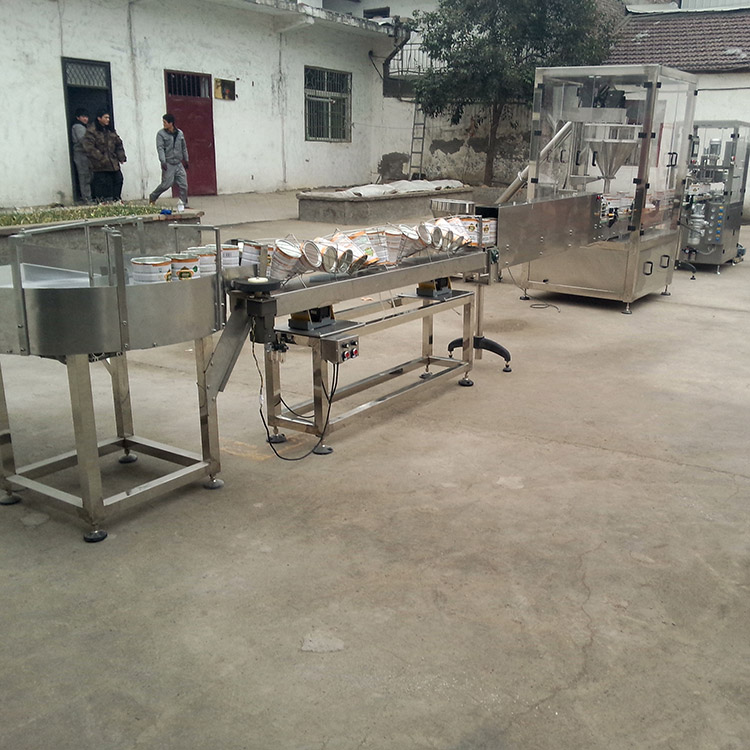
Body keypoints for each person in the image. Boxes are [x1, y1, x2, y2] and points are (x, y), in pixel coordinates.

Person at [83, 108, 127, 202]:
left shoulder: (110, 130)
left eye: (108, 118)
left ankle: (116, 199)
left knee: (118, 179)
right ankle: (100, 201)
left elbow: (118, 144)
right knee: (101, 183)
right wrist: (100, 158)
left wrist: (121, 157)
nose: (108, 120)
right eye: (105, 117)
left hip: (112, 162)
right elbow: (89, 147)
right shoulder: (91, 131)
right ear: (99, 118)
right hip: (99, 164)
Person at [149, 113, 189, 207]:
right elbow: (160, 148)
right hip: (168, 163)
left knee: (183, 184)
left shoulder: (180, 133)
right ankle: (153, 196)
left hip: (178, 163)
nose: (163, 124)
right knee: (166, 184)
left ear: (171, 123)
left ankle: (183, 202)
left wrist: (186, 159)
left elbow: (184, 147)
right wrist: (163, 161)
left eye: (165, 122)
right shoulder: (161, 134)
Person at [71, 108, 92, 203]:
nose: (85, 119)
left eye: (86, 116)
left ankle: (87, 197)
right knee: (84, 176)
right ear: (78, 117)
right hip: (81, 155)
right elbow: (83, 141)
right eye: (83, 116)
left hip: (85, 155)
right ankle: (86, 198)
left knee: (88, 176)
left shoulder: (84, 126)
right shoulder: (78, 127)